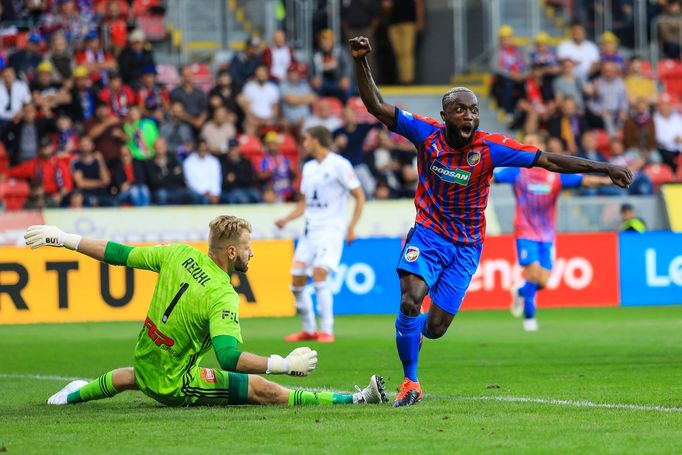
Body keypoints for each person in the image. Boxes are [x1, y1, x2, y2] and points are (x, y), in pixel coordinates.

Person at [348, 35, 632, 406]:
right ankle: (411, 381)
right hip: (428, 234)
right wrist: (360, 61)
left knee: (434, 328)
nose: (469, 116)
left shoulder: (491, 146)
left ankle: (413, 339)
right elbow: (377, 106)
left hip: (466, 246)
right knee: (410, 300)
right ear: (445, 114)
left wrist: (604, 166)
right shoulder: (426, 134)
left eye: (474, 110)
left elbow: (547, 160)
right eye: (461, 110)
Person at [26, 216, 386, 407]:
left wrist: (63, 238)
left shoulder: (176, 253)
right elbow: (228, 358)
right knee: (262, 389)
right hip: (175, 384)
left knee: (131, 376)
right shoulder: (222, 294)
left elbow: (117, 253)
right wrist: (283, 364)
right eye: (247, 248)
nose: (252, 253)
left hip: (146, 359)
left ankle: (72, 395)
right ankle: (353, 399)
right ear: (231, 253)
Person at [493, 133, 611, 331]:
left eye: (533, 143)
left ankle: (520, 291)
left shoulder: (555, 175)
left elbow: (584, 181)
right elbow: (490, 177)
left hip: (546, 235)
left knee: (544, 281)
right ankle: (529, 318)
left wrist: (609, 180)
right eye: (526, 143)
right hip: (525, 231)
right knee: (534, 275)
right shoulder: (517, 172)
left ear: (541, 146)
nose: (529, 146)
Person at [275, 126, 365, 343]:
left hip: (330, 230)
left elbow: (359, 196)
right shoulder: (308, 168)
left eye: (307, 140)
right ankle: (309, 330)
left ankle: (326, 330)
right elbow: (303, 203)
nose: (304, 144)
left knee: (319, 276)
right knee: (297, 282)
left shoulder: (339, 164)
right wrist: (286, 219)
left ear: (316, 140)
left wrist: (352, 227)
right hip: (309, 232)